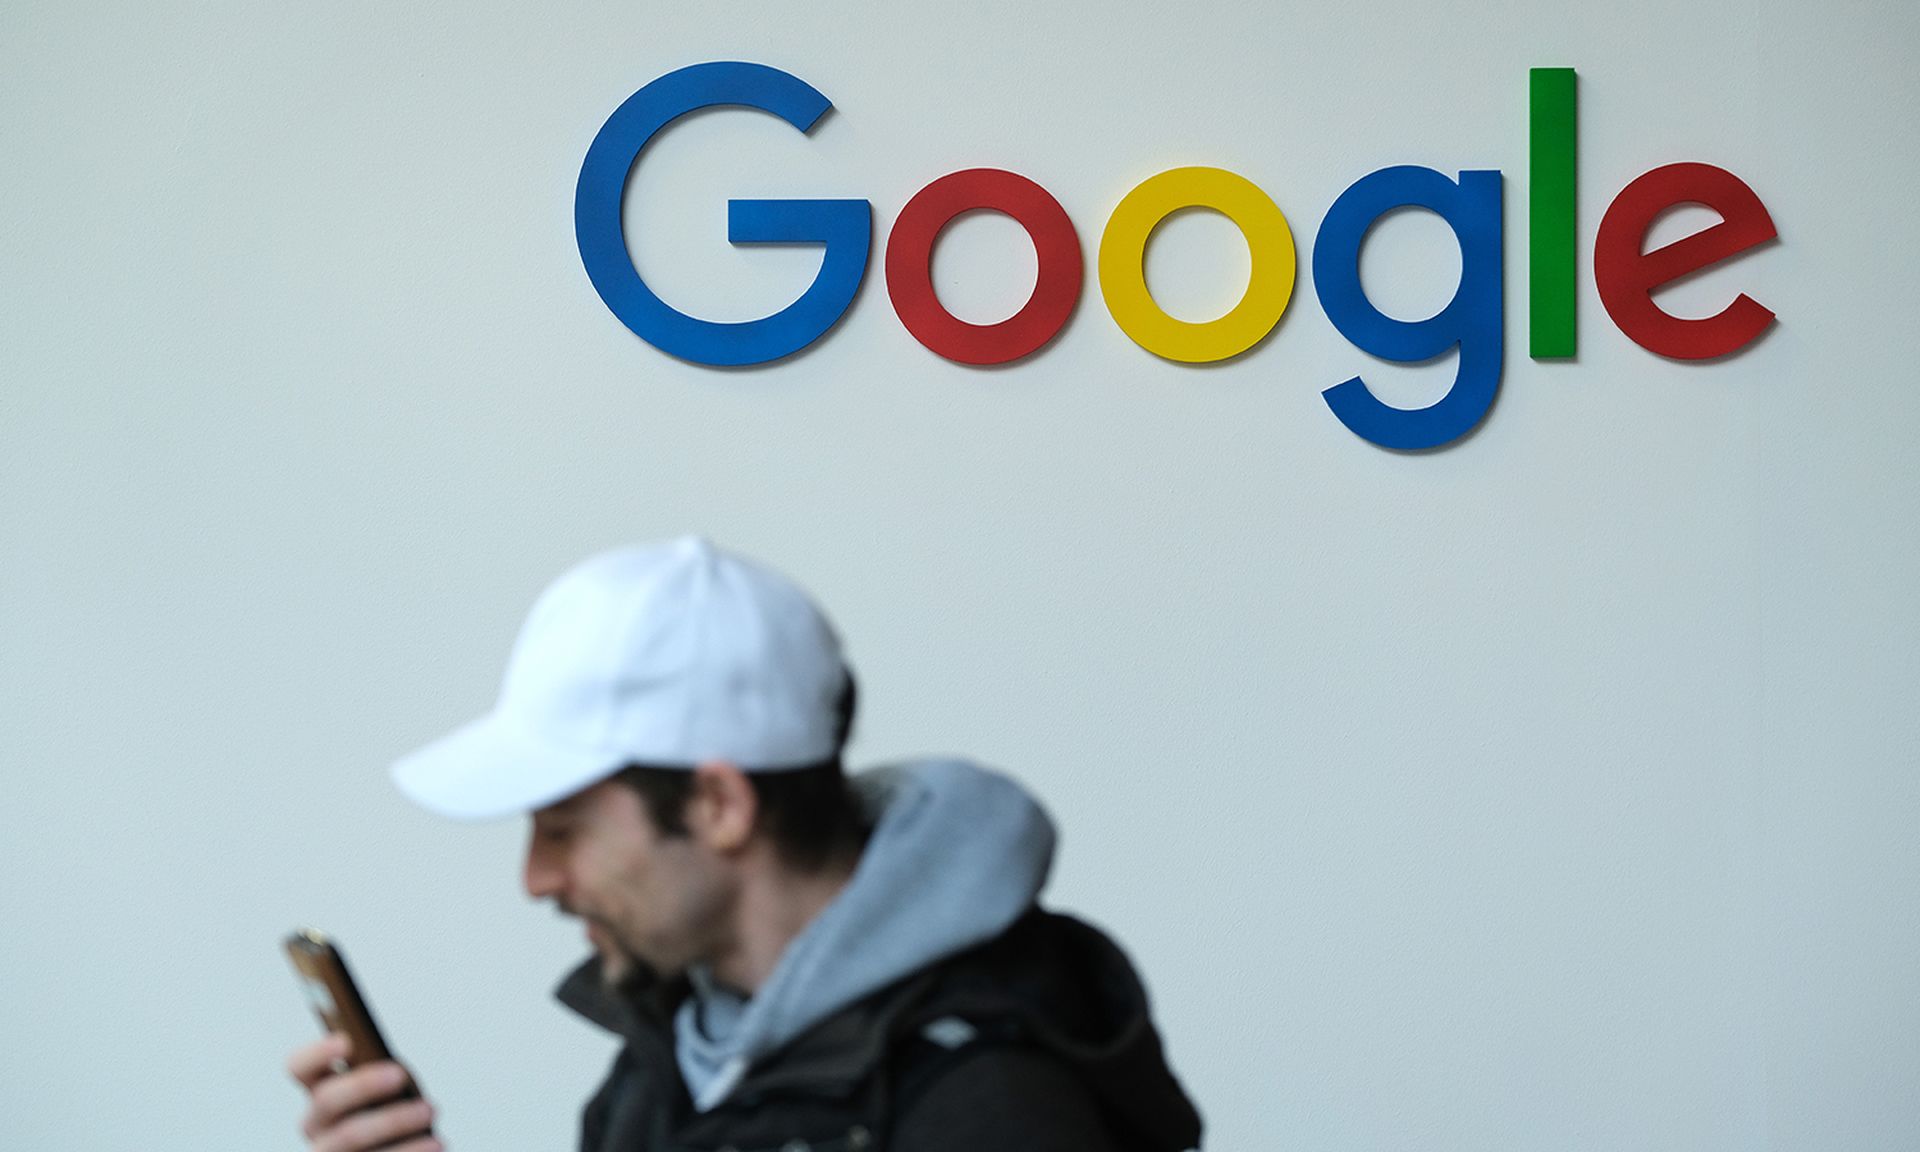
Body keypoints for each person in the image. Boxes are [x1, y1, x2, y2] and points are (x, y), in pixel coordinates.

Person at [287, 536, 1203, 1152]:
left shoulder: (990, 1109)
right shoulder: (670, 1058)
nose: (537, 879)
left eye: (564, 829)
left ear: (720, 804)